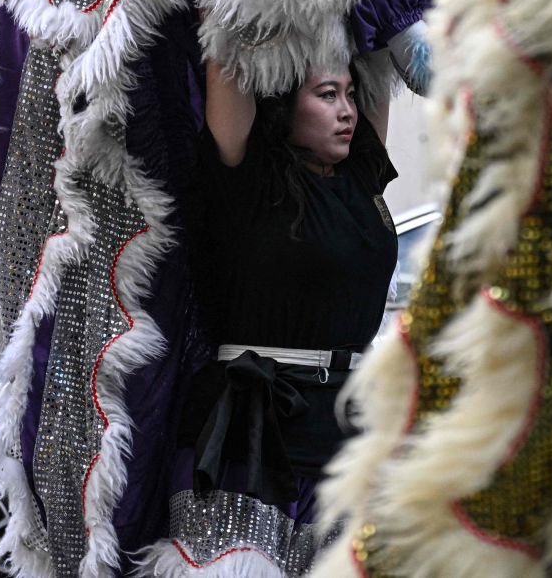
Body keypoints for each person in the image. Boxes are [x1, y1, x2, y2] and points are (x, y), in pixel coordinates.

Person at [139, 58, 398, 575]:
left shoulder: (361, 174)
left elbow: (375, 46)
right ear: (282, 102)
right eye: (327, 95)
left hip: (348, 430)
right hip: (250, 435)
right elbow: (228, 55)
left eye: (350, 94)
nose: (347, 110)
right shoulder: (245, 173)